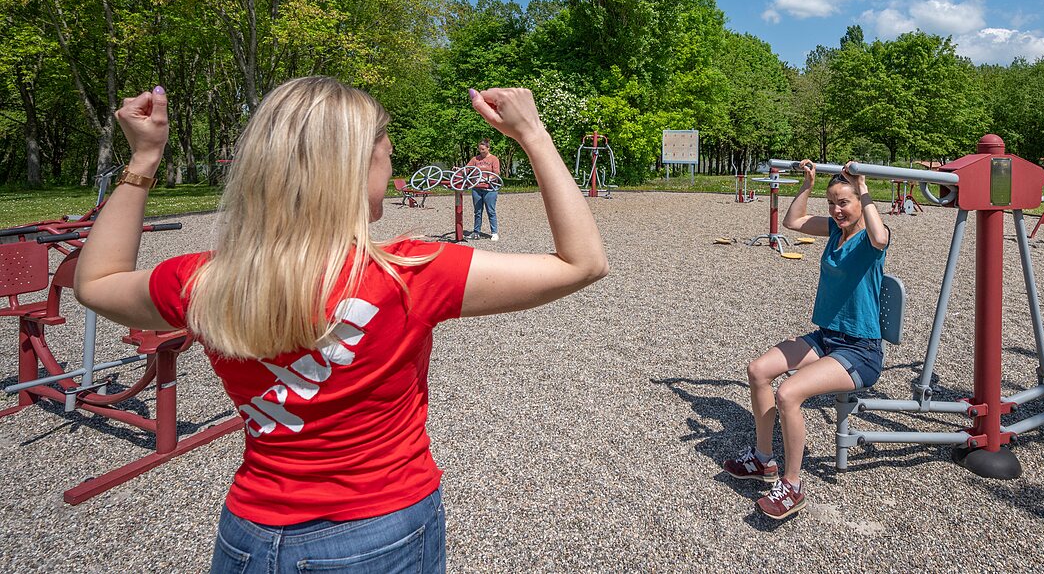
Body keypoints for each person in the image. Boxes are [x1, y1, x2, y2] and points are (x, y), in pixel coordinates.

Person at [73, 78, 608, 573]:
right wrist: (532, 134)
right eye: (387, 154)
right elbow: (581, 263)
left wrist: (144, 158)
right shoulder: (408, 275)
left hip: (248, 535)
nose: (390, 166)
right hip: (379, 531)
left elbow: (95, 282)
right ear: (355, 168)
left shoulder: (204, 281)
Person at [721, 160, 890, 520]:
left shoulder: (872, 236)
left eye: (843, 202)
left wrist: (863, 186)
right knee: (759, 370)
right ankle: (763, 460)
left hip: (860, 350)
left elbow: (880, 237)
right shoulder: (833, 229)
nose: (836, 210)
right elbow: (792, 222)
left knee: (789, 393)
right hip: (828, 337)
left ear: (860, 201)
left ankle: (792, 485)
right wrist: (807, 185)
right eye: (832, 202)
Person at [466, 138, 501, 241]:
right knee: (477, 211)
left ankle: (494, 233)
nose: (481, 151)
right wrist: (458, 170)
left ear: (488, 148)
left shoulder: (494, 159)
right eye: (480, 149)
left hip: (490, 188)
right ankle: (476, 232)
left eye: (483, 149)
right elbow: (467, 169)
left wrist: (487, 179)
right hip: (477, 188)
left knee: (491, 211)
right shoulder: (475, 159)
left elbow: (496, 173)